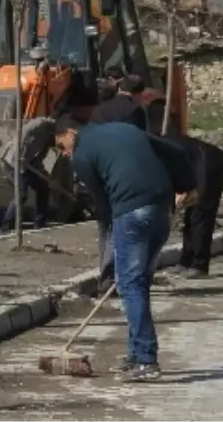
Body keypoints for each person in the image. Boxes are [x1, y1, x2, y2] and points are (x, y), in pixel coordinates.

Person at [56, 118, 194, 382]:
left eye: (61, 146)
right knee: (137, 284)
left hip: (131, 213)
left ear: (70, 132)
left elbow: (102, 204)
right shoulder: (125, 128)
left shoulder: (82, 156)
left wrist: (113, 240)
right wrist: (188, 186)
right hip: (162, 210)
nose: (64, 153)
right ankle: (134, 356)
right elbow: (175, 151)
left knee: (130, 285)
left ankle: (145, 360)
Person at [89, 73, 149, 292]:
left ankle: (105, 276)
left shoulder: (99, 111)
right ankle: (120, 277)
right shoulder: (135, 112)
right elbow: (140, 144)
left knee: (105, 225)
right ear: (137, 94)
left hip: (100, 172)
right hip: (125, 175)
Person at [167, 133, 223, 279]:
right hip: (197, 166)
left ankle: (200, 265)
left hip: (210, 166)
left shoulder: (160, 147)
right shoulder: (157, 145)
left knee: (201, 216)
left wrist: (197, 192)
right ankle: (186, 261)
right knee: (190, 219)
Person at [0, 116, 55, 234]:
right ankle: (6, 225)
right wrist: (21, 153)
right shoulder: (43, 124)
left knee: (43, 187)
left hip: (26, 165)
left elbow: (38, 160)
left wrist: (44, 173)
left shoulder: (48, 142)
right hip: (13, 161)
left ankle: (40, 223)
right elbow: (23, 133)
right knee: (21, 194)